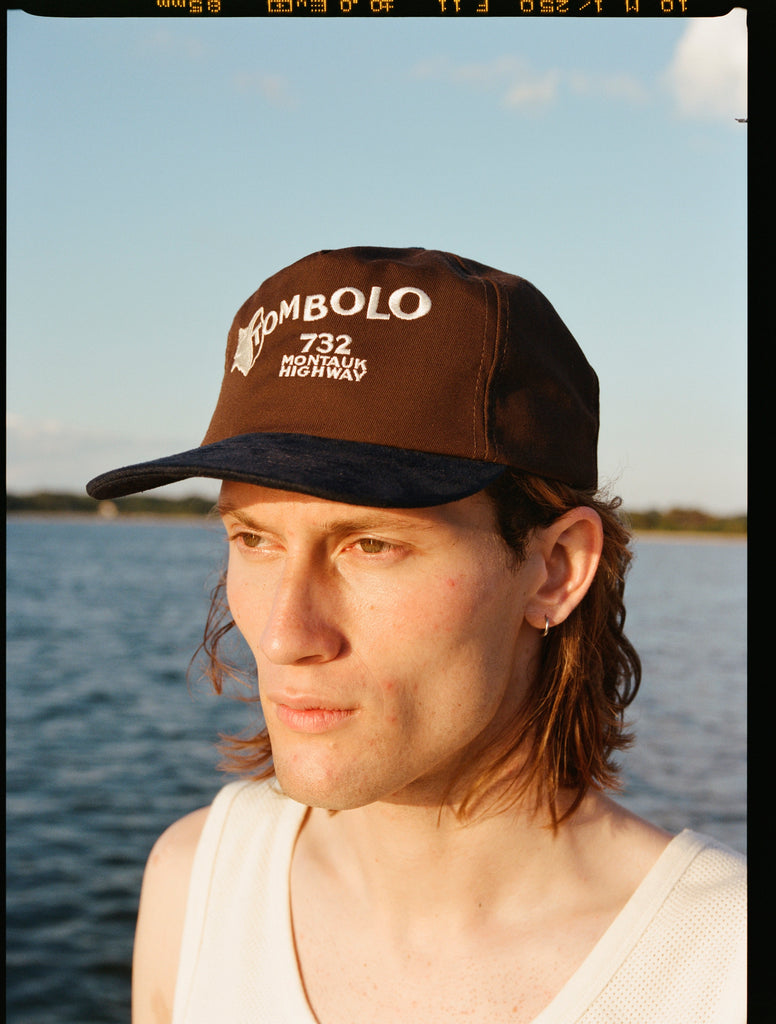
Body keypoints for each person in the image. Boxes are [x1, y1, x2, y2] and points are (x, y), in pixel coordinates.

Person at [87, 247, 745, 1024]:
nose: (281, 634)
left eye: (372, 545)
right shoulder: (197, 883)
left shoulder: (718, 967)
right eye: (254, 539)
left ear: (556, 569)